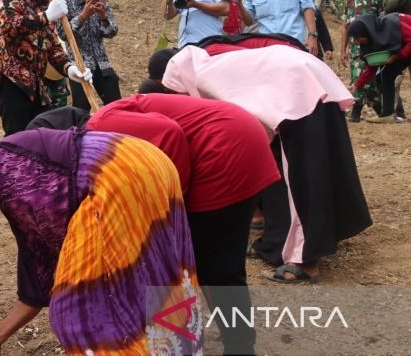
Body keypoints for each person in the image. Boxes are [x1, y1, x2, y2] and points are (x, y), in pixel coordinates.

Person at [28, 95, 281, 355]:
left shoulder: (101, 127)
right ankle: (234, 338)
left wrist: (174, 203)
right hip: (232, 138)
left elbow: (170, 134)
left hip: (223, 146)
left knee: (216, 267)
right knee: (217, 262)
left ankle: (240, 347)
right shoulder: (100, 134)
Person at [0, 125, 202, 355]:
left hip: (114, 176)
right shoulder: (11, 164)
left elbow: (54, 244)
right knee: (154, 275)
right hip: (147, 161)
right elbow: (37, 274)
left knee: (77, 307)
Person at [162, 44, 372, 283]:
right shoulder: (218, 65)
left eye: (173, 90)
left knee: (302, 179)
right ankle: (277, 241)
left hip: (298, 91)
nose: (177, 98)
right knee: (288, 171)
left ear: (180, 80)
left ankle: (304, 260)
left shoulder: (207, 78)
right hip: (304, 80)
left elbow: (242, 127)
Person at [0, 0, 92, 135]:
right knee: (19, 138)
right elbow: (8, 27)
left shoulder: (46, 5)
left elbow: (53, 47)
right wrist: (47, 16)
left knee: (40, 136)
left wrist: (70, 69)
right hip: (10, 81)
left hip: (37, 86)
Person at [59, 0, 121, 110]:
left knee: (116, 108)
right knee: (81, 112)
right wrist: (82, 16)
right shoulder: (65, 3)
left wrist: (104, 18)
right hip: (80, 67)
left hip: (103, 65)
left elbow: (112, 32)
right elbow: (62, 34)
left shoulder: (102, 2)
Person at [348, 13, 411, 123]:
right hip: (405, 49)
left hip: (407, 45)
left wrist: (398, 55)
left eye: (358, 38)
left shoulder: (392, 24)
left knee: (388, 72)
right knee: (387, 74)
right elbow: (372, 66)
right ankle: (387, 115)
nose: (357, 42)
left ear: (365, 32)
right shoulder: (373, 38)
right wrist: (357, 85)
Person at [341, 0, 383, 122]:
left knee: (362, 78)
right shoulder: (350, 2)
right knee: (363, 79)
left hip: (372, 49)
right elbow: (345, 27)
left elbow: (384, 23)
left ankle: (356, 113)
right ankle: (381, 111)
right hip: (354, 49)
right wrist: (343, 50)